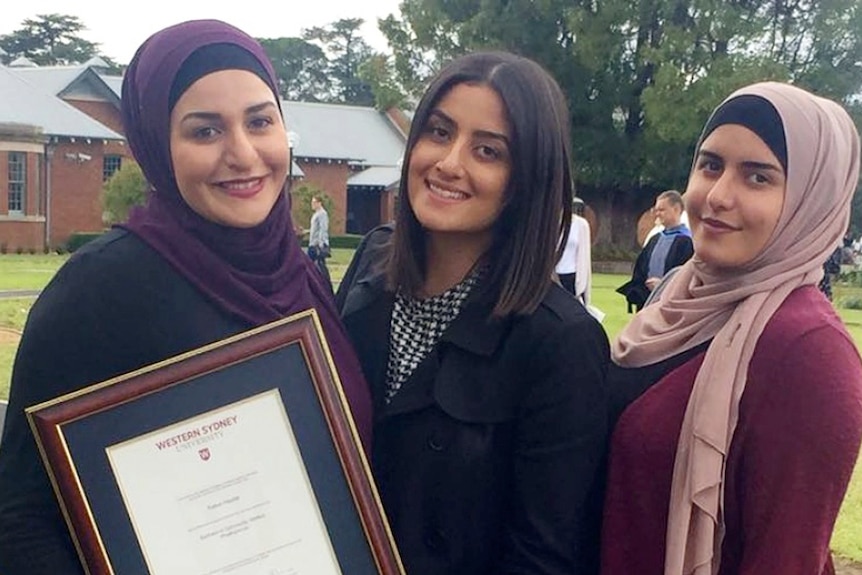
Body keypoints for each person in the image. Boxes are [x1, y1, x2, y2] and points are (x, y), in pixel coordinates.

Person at [0, 19, 372, 575]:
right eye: (205, 131)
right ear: (155, 144)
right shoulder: (101, 291)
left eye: (260, 121)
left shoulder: (300, 276)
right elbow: (20, 518)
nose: (243, 153)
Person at [336, 51, 610, 574]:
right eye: (438, 132)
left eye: (487, 150)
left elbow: (543, 557)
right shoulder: (372, 268)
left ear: (527, 178)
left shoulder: (559, 343)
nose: (449, 162)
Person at [602, 82, 862, 575]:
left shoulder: (809, 351)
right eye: (711, 165)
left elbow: (784, 561)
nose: (718, 196)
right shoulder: (676, 294)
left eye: (758, 177)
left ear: (812, 200)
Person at [617, 190, 694, 312]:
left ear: (676, 209)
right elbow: (640, 269)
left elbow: (687, 276)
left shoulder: (687, 242)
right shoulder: (655, 238)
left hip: (672, 304)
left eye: (662, 210)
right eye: (656, 210)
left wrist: (663, 285)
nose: (657, 214)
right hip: (647, 301)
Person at [556, 196, 593, 304]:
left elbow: (585, 259)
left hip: (572, 278)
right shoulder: (549, 224)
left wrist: (586, 295)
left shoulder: (581, 225)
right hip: (553, 277)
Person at [307, 195, 332, 291]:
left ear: (319, 203)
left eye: (314, 202)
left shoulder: (322, 214)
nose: (312, 205)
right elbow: (315, 229)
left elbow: (323, 229)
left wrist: (321, 244)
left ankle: (321, 285)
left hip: (317, 245)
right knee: (317, 266)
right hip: (312, 244)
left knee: (314, 265)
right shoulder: (316, 214)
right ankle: (320, 284)